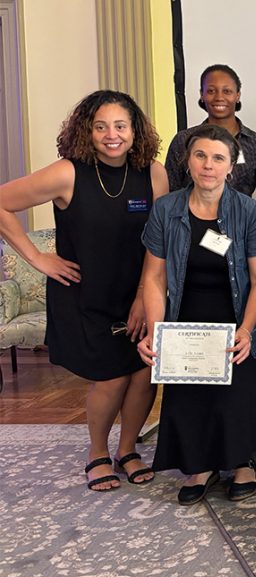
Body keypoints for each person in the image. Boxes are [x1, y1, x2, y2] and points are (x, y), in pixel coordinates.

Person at [0, 90, 168, 491]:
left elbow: (158, 241)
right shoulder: (67, 173)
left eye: (121, 126)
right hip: (85, 295)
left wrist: (144, 297)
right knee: (111, 377)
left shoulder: (153, 173)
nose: (112, 135)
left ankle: (127, 449)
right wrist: (37, 258)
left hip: (140, 290)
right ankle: (97, 452)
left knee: (144, 373)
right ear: (86, 131)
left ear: (135, 130)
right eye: (101, 126)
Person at [138, 124, 256, 505]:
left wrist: (246, 330)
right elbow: (153, 278)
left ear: (231, 166)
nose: (208, 165)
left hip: (239, 315)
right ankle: (200, 465)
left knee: (236, 394)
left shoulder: (247, 210)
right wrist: (156, 332)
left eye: (218, 158)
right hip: (185, 317)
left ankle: (242, 461)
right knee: (192, 394)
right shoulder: (166, 209)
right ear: (188, 161)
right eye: (200, 155)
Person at [164, 64, 256, 197]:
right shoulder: (182, 140)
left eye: (227, 91)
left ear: (237, 95)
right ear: (202, 95)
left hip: (241, 211)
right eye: (211, 91)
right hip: (189, 211)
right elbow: (170, 193)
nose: (219, 97)